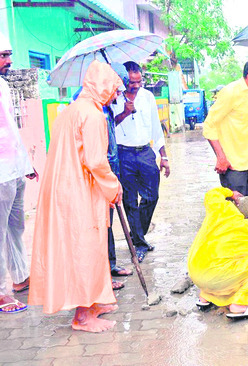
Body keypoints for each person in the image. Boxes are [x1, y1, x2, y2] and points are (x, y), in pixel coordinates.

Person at [29, 61, 124, 332]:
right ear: (103, 86)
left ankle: (93, 302)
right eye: (115, 89)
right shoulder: (93, 116)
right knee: (86, 248)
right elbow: (95, 161)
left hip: (64, 189)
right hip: (80, 190)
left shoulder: (71, 111)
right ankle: (83, 317)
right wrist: (113, 186)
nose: (116, 95)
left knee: (80, 247)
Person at [72, 63, 134, 291]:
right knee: (98, 227)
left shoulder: (102, 105)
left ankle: (110, 266)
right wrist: (108, 182)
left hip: (109, 170)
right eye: (117, 88)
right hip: (95, 177)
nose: (119, 94)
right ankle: (101, 276)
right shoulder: (88, 107)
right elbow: (94, 156)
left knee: (106, 224)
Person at [111, 61, 170, 263]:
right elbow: (109, 126)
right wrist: (125, 112)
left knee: (152, 196)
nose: (135, 86)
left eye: (138, 81)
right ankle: (139, 243)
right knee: (129, 201)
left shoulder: (148, 97)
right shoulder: (113, 97)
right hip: (123, 154)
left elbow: (155, 127)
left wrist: (164, 156)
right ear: (123, 80)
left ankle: (139, 235)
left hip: (145, 152)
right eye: (131, 82)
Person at [187, 187, 248, 318]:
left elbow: (211, 194)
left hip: (194, 272)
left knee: (217, 261)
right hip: (216, 278)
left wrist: (230, 193)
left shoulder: (225, 213)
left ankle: (205, 298)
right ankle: (240, 304)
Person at [0, 32, 37, 314]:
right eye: (3, 55)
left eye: (9, 54)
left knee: (16, 227)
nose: (9, 60)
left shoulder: (2, 85)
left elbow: (11, 129)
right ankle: (1, 293)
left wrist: (26, 162)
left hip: (13, 168)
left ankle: (20, 278)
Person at [203, 57, 248, 196]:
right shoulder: (231, 92)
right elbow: (209, 125)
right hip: (233, 165)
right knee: (236, 211)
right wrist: (221, 157)